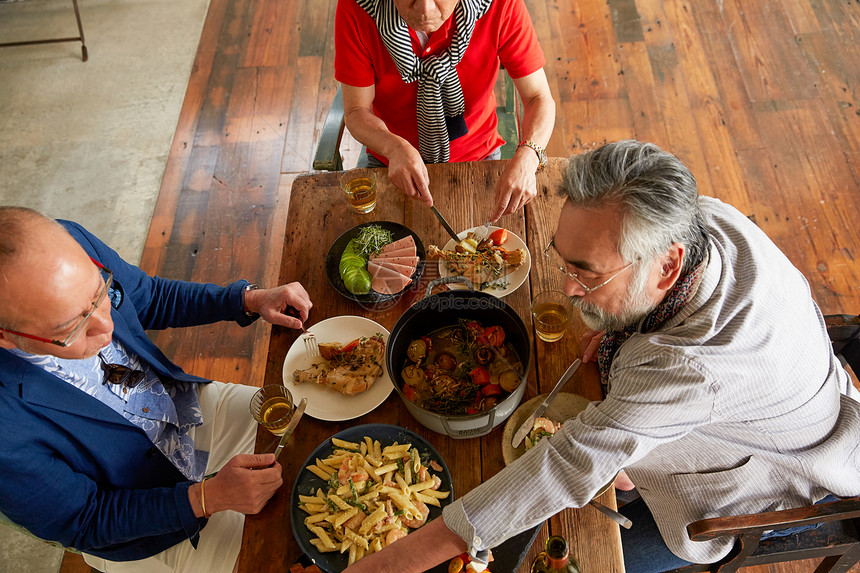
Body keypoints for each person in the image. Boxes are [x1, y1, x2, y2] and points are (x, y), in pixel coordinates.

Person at [342, 140, 860, 572]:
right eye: (562, 260)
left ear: (666, 267)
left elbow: (567, 466)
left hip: (759, 475)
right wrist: (623, 327)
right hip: (770, 392)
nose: (567, 289)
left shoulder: (689, 372)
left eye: (588, 274)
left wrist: (388, 564)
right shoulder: (702, 219)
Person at [0, 207, 313, 573]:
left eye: (100, 294)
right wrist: (205, 498)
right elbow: (85, 521)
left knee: (319, 431)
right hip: (145, 516)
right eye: (73, 329)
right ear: (6, 337)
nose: (106, 327)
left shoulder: (67, 243)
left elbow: (148, 296)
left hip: (183, 409)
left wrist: (247, 299)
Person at [335, 0, 556, 221]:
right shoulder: (356, 7)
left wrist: (529, 156)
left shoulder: (501, 4)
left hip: (478, 155)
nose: (425, 9)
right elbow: (356, 110)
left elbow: (538, 97)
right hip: (390, 159)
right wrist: (392, 147)